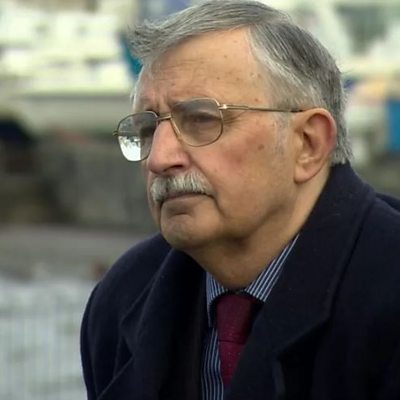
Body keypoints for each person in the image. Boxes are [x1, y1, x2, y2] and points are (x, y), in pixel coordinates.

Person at [80, 1, 400, 399]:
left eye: (201, 120)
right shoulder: (124, 296)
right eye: (146, 130)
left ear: (308, 143)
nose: (159, 158)